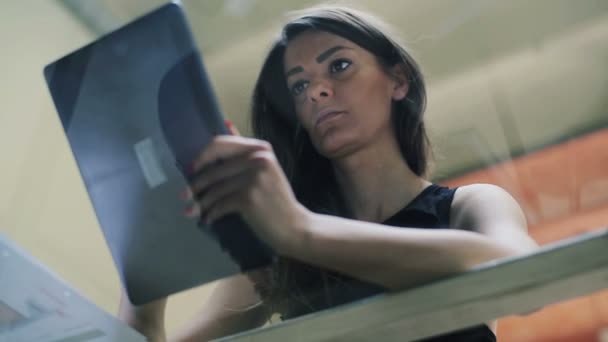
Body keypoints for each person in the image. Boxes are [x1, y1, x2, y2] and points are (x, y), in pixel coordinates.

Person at [118, 5, 538, 341]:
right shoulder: (278, 255)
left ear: (398, 80)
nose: (317, 91)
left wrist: (301, 232)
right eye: (299, 86)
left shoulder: (472, 204)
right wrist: (143, 287)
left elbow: (524, 274)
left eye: (338, 66)